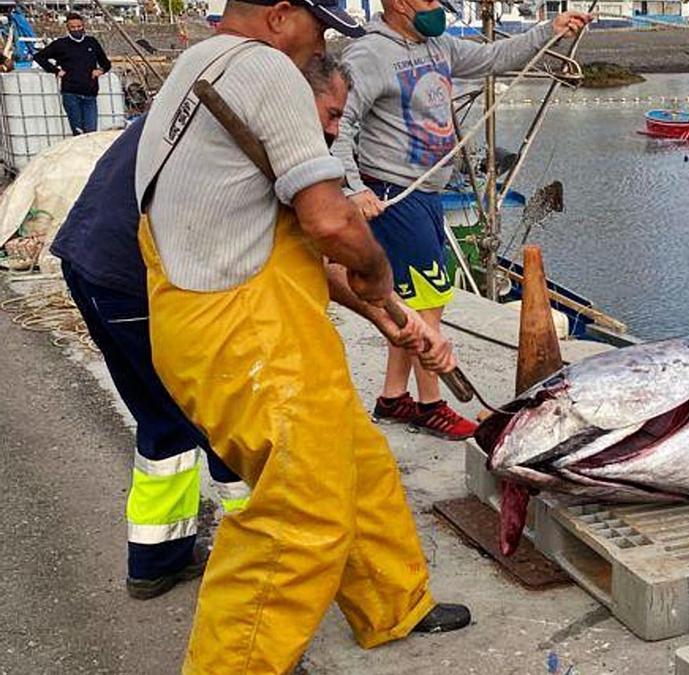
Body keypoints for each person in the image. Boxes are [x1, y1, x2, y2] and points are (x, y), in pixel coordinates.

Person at [133, 1, 468, 671]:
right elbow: (330, 226)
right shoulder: (267, 69)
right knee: (301, 508)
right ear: (281, 15)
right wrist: (378, 272)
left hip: (244, 320)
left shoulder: (199, 64)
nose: (324, 44)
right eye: (321, 27)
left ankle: (393, 602)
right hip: (243, 334)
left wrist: (393, 317)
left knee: (357, 455)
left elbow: (305, 256)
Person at [50, 54, 404, 603]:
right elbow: (326, 238)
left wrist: (383, 319)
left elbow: (305, 252)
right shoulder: (261, 134)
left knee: (162, 419)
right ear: (293, 93)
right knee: (232, 426)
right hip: (135, 278)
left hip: (90, 262)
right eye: (331, 114)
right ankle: (275, 567)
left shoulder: (204, 110)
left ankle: (155, 559)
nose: (334, 131)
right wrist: (381, 302)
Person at [332, 0, 591, 441]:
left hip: (430, 193)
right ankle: (433, 403)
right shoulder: (368, 55)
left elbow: (494, 58)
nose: (437, 8)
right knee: (426, 305)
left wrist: (551, 28)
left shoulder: (440, 46)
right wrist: (354, 188)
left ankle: (394, 397)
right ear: (397, 3)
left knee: (415, 302)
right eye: (429, 0)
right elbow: (340, 125)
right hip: (397, 195)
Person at [33, 12, 111, 135]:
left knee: (91, 131)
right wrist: (56, 70)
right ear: (68, 28)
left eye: (79, 27)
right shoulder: (60, 44)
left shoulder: (92, 42)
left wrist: (100, 70)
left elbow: (106, 63)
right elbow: (39, 56)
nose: (76, 30)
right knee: (78, 132)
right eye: (73, 27)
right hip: (71, 94)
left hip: (90, 93)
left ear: (83, 26)